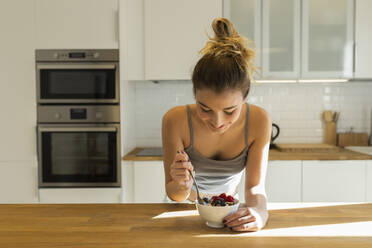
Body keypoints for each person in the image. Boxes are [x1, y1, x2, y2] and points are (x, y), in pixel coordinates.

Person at [161, 17, 271, 232]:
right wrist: (181, 183)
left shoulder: (259, 121)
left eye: (230, 111)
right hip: (180, 212)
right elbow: (173, 193)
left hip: (227, 213)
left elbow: (255, 188)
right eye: (205, 109)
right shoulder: (175, 120)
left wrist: (260, 213)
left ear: (245, 97)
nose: (217, 122)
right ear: (194, 96)